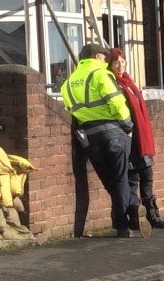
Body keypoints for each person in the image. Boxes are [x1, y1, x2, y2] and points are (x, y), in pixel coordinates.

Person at [62, 43, 150, 238]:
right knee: (120, 179)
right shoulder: (101, 75)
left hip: (89, 139)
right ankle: (126, 221)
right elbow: (116, 101)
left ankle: (128, 216)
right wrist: (128, 125)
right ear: (98, 57)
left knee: (109, 181)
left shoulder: (68, 83)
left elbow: (70, 110)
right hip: (114, 134)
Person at [106, 48, 164, 229]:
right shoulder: (113, 84)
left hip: (141, 137)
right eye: (116, 63)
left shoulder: (129, 83)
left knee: (147, 176)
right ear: (109, 65)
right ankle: (135, 217)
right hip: (128, 137)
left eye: (123, 62)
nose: (120, 66)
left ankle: (151, 214)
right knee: (132, 180)